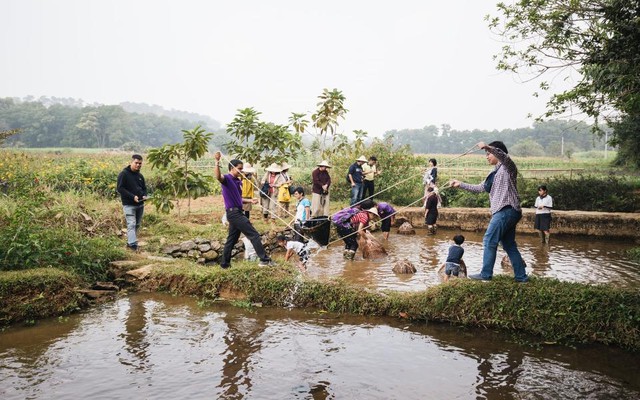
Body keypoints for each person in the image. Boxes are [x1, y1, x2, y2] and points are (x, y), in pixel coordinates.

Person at [449, 141, 528, 282]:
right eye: (486, 154)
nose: (487, 156)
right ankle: (521, 277)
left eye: (489, 154)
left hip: (506, 210)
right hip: (507, 212)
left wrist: (487, 146)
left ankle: (485, 275)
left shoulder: (508, 167)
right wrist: (460, 184)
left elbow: (504, 157)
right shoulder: (494, 173)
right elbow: (480, 188)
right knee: (509, 245)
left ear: (498, 152)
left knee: (489, 240)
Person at [213, 151, 273, 268]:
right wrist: (217, 162)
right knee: (254, 235)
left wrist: (250, 201)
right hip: (234, 213)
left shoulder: (238, 181)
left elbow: (238, 198)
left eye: (242, 169)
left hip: (236, 212)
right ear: (232, 168)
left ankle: (225, 264)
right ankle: (264, 260)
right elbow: (217, 177)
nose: (241, 171)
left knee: (232, 240)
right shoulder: (227, 179)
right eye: (239, 169)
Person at [117, 154, 148, 251]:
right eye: (136, 163)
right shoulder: (124, 174)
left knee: (137, 224)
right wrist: (132, 196)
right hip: (129, 204)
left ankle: (130, 241)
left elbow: (144, 188)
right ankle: (132, 245)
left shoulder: (140, 176)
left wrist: (144, 195)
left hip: (140, 204)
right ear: (131, 162)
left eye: (140, 163)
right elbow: (120, 188)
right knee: (131, 224)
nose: (138, 165)